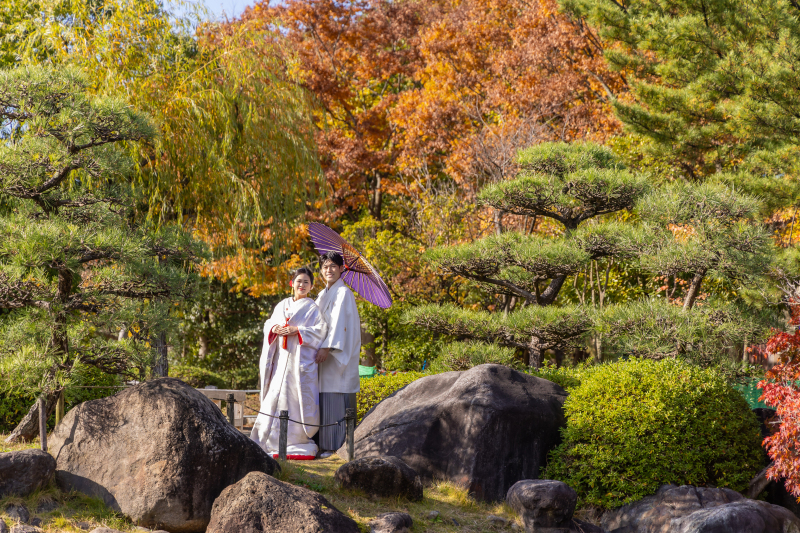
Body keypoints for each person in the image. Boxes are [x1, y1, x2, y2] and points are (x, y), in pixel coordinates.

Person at [251, 267, 327, 460]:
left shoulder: (313, 308)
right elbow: (269, 323)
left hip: (298, 362)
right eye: (299, 281)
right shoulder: (282, 304)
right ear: (292, 283)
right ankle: (267, 439)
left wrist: (298, 330)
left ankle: (295, 441)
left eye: (306, 282)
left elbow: (320, 331)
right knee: (274, 396)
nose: (302, 285)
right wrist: (274, 327)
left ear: (311, 286)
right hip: (281, 359)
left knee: (293, 398)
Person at [315, 251, 362, 457]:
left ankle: (335, 446)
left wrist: (326, 347)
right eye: (325, 267)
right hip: (322, 357)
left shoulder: (343, 293)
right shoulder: (322, 293)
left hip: (335, 356)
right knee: (323, 398)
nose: (329, 270)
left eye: (333, 266)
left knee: (334, 398)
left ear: (342, 269)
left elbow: (339, 325)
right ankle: (325, 444)